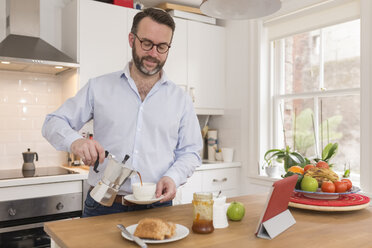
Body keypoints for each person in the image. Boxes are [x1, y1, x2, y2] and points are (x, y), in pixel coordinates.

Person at [42, 8, 202, 217]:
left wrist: (173, 177)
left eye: (162, 46)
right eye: (147, 43)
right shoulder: (98, 87)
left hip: (158, 207)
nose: (153, 53)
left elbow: (191, 152)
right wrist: (76, 142)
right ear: (131, 39)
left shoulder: (181, 100)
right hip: (103, 207)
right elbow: (52, 122)